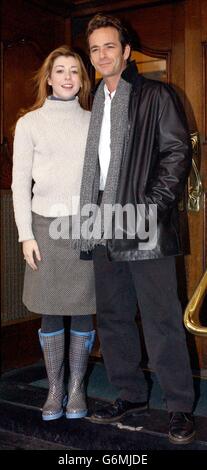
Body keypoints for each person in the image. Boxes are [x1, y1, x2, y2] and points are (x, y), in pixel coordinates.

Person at [78, 14, 195, 444]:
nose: (102, 55)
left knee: (162, 319)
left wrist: (150, 208)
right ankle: (129, 393)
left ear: (126, 51)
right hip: (102, 220)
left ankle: (180, 405)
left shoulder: (156, 95)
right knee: (113, 316)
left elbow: (176, 154)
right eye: (95, 49)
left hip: (144, 222)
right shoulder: (93, 104)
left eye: (110, 46)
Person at [12, 45, 96, 421]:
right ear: (48, 79)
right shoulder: (29, 123)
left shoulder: (95, 122)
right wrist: (25, 235)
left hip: (85, 227)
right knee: (49, 313)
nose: (66, 77)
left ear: (82, 80)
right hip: (44, 227)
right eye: (59, 70)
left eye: (74, 71)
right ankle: (55, 390)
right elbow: (18, 186)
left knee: (82, 312)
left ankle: (76, 390)